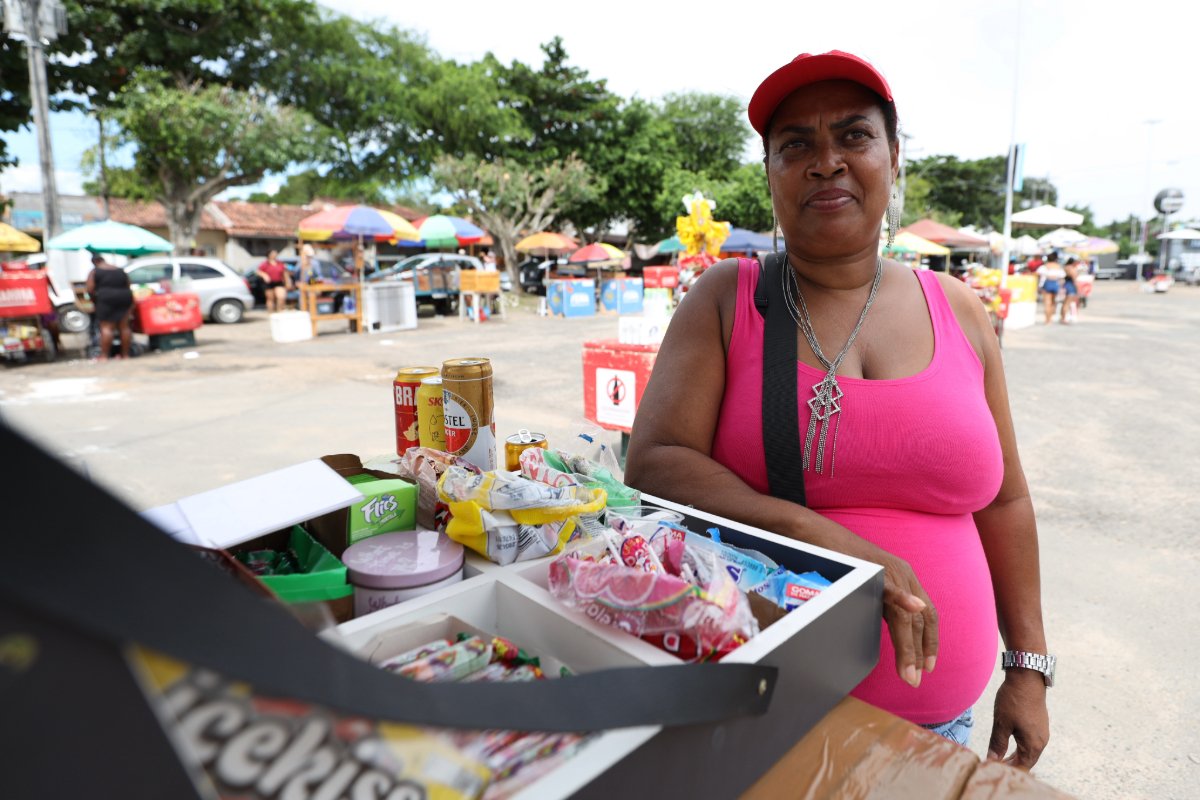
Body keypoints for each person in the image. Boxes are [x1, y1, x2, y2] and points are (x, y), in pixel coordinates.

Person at [624, 50, 1051, 767]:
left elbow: (1005, 501)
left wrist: (1030, 667)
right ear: (770, 175)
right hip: (767, 719)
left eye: (854, 136)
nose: (826, 162)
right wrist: (833, 543)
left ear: (893, 157)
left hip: (943, 726)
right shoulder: (729, 300)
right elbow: (656, 461)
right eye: (796, 145)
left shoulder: (961, 310)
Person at [85, 252, 133, 361]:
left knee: (107, 327)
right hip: (124, 297)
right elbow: (129, 284)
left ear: (95, 262)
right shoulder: (120, 270)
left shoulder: (95, 271)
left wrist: (94, 301)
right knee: (124, 327)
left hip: (106, 299)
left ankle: (104, 356)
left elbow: (90, 289)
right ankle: (125, 355)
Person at [1036, 254, 1065, 325]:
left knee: (1047, 303)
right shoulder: (1058, 267)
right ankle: (1050, 318)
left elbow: (1037, 274)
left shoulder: (1044, 266)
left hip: (1047, 283)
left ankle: (1047, 320)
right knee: (1053, 303)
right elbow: (1062, 277)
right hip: (1055, 283)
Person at [1061, 257, 1080, 323]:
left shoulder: (1066, 267)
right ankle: (1064, 318)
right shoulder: (1071, 268)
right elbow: (1074, 278)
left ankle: (1063, 317)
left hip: (1066, 285)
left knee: (1066, 303)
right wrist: (1077, 288)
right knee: (1067, 303)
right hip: (1070, 285)